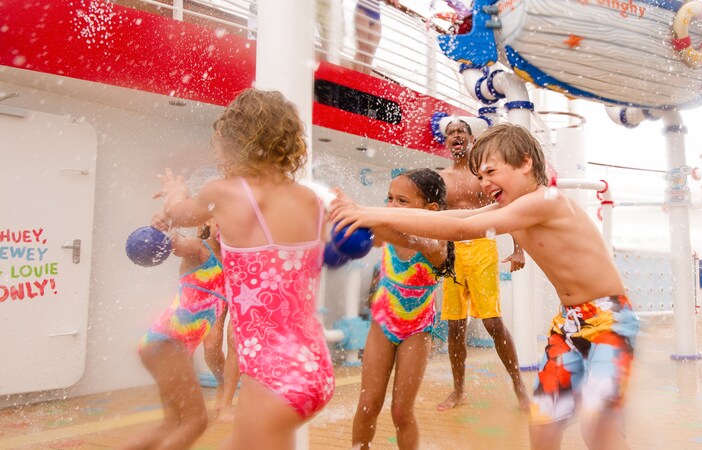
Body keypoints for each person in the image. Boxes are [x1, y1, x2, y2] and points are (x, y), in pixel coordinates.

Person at [331, 123, 639, 450]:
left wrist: (367, 213)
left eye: (491, 170)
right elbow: (454, 222)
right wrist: (370, 214)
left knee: (597, 428)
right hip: (569, 323)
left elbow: (467, 230)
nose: (484, 181)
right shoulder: (511, 207)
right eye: (479, 175)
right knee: (545, 423)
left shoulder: (546, 201)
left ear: (525, 162)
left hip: (608, 320)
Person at [154, 88, 335, 449]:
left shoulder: (223, 192)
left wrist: (176, 191)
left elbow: (179, 214)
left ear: (233, 139)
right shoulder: (311, 198)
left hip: (272, 372)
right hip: (310, 366)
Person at [351, 168, 455, 450]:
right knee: (368, 404)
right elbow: (365, 234)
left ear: (430, 209)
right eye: (389, 199)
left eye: (402, 201)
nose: (392, 207)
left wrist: (361, 213)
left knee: (401, 411)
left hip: (417, 329)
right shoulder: (387, 231)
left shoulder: (436, 243)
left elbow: (406, 239)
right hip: (384, 322)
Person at [436, 119, 529, 412]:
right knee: (454, 325)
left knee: (492, 322)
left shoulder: (482, 175)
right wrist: (435, 253)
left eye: (460, 131)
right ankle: (459, 390)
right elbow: (435, 218)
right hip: (452, 252)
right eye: (450, 133)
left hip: (482, 248)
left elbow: (507, 208)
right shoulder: (441, 177)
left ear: (471, 138)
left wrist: (518, 248)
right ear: (446, 141)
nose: (455, 136)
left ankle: (519, 386)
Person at [122, 217, 227, 450]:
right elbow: (178, 243)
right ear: (208, 223)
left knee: (172, 425)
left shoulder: (230, 263)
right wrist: (167, 228)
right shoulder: (200, 249)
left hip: (171, 345)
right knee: (195, 422)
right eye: (224, 220)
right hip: (168, 342)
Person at [353, 0, 399, 74]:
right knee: (362, 50)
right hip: (362, 9)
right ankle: (355, 82)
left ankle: (365, 83)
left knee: (370, 53)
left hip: (376, 14)